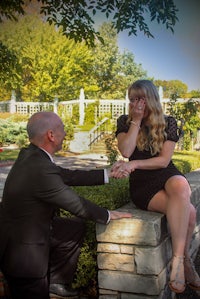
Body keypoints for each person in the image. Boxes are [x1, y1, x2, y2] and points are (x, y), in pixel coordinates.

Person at [0, 111, 132, 299]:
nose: (65, 132)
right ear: (51, 135)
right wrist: (108, 215)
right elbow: (75, 203)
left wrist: (107, 174)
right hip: (23, 257)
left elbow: (66, 175)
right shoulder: (39, 168)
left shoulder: (32, 155)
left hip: (28, 231)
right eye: (62, 128)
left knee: (73, 228)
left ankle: (56, 283)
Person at [113, 79, 200, 294]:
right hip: (143, 185)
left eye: (140, 98)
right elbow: (125, 151)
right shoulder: (125, 121)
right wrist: (136, 121)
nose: (135, 103)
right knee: (188, 211)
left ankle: (178, 261)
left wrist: (134, 163)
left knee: (180, 183)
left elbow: (163, 161)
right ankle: (186, 261)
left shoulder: (168, 122)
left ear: (151, 98)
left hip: (166, 174)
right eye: (132, 99)